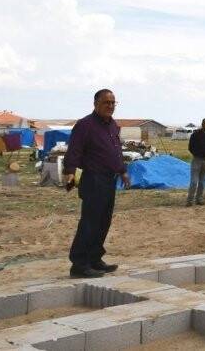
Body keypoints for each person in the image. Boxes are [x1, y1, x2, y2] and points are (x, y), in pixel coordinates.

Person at [63, 89, 131, 278]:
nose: (110, 106)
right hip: (93, 179)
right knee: (90, 223)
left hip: (110, 180)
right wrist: (69, 173)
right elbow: (74, 150)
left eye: (112, 103)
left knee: (103, 222)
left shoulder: (112, 126)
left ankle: (94, 259)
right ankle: (79, 264)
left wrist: (123, 171)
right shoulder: (85, 125)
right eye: (106, 102)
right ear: (96, 104)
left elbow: (115, 151)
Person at [187, 119, 205, 206]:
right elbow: (190, 147)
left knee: (202, 181)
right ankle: (190, 200)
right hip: (197, 160)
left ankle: (199, 199)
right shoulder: (195, 134)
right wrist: (196, 154)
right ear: (202, 124)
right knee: (194, 182)